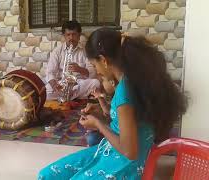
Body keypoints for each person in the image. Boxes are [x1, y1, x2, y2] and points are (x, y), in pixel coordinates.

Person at [38, 29, 187, 179]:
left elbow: (130, 152)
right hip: (111, 150)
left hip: (124, 164)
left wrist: (98, 125)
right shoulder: (133, 81)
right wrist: (100, 111)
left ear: (104, 60)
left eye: (94, 65)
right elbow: (126, 120)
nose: (96, 71)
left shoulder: (125, 91)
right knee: (47, 175)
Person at [46, 20, 100, 101]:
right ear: (64, 36)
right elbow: (50, 72)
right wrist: (55, 85)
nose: (71, 38)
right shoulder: (57, 51)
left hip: (79, 84)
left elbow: (92, 73)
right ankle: (75, 96)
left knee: (96, 83)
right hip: (62, 84)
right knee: (46, 90)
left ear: (79, 36)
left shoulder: (85, 51)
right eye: (68, 35)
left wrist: (80, 69)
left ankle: (67, 96)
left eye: (74, 34)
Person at [82, 75, 116, 147]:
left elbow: (108, 112)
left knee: (92, 139)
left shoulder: (121, 99)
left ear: (112, 82)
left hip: (118, 134)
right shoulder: (112, 96)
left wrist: (97, 125)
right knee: (91, 137)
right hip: (111, 127)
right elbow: (107, 111)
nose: (101, 83)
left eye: (103, 80)